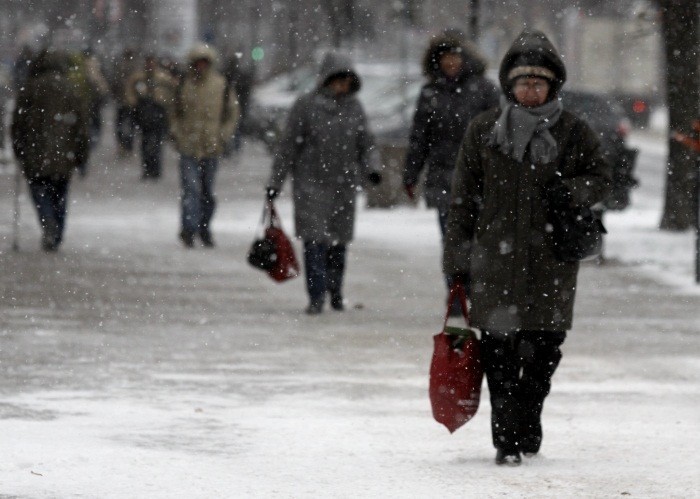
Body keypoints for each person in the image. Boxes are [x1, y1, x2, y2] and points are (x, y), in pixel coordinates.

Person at [442, 30, 611, 466]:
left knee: (543, 352)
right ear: (508, 85)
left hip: (552, 262)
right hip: (494, 262)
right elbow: (461, 199)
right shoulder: (484, 131)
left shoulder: (574, 131)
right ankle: (505, 435)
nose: (531, 90)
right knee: (498, 351)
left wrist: (569, 192)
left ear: (554, 85)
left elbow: (601, 178)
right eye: (523, 82)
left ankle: (528, 415)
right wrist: (457, 261)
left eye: (539, 82)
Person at [266, 52, 382, 314]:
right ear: (326, 80)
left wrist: (372, 168)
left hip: (344, 185)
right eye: (338, 80)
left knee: (339, 243)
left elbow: (367, 143)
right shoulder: (305, 106)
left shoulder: (355, 108)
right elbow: (287, 148)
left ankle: (336, 291)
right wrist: (275, 182)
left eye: (347, 81)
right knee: (314, 241)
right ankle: (316, 295)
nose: (343, 87)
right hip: (311, 184)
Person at [403, 32, 499, 314]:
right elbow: (419, 137)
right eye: (445, 58)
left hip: (479, 179)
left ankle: (476, 289)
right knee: (451, 239)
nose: (450, 63)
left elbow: (499, 132)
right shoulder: (430, 94)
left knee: (479, 240)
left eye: (454, 57)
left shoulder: (484, 90)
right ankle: (456, 292)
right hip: (443, 178)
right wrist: (411, 175)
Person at [11, 49, 89, 251]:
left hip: (35, 153)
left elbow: (18, 124)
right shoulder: (70, 89)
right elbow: (81, 126)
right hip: (64, 155)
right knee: (60, 194)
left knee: (39, 191)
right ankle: (57, 230)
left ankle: (48, 223)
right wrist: (81, 155)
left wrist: (18, 148)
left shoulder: (30, 88)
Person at [170, 43, 239, 248]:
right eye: (197, 63)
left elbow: (232, 114)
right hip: (188, 146)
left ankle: (204, 228)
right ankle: (188, 229)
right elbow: (175, 112)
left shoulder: (221, 85)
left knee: (207, 191)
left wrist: (223, 135)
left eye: (204, 63)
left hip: (211, 147)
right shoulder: (184, 84)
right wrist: (178, 133)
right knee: (190, 190)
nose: (200, 67)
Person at [126, 54, 177, 180]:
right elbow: (129, 91)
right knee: (145, 143)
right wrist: (133, 103)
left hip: (158, 111)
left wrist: (167, 103)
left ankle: (155, 169)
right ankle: (147, 169)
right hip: (143, 112)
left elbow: (174, 89)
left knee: (157, 143)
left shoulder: (163, 77)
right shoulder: (139, 77)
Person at [110, 48, 140, 157]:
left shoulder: (122, 66)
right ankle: (126, 146)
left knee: (124, 124)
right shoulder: (133, 67)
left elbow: (115, 82)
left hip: (126, 100)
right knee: (127, 124)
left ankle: (125, 145)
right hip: (126, 100)